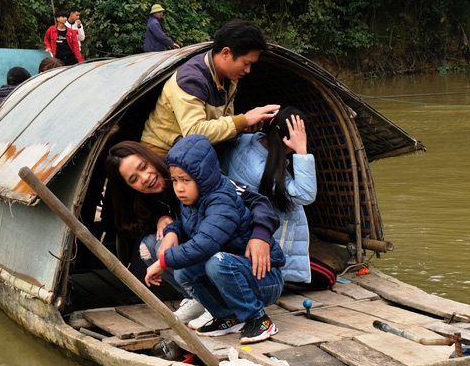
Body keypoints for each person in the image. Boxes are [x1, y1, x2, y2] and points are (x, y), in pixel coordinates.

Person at [104, 140, 281, 325]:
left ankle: (225, 304)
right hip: (199, 248)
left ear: (150, 157)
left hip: (228, 253)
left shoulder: (190, 171)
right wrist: (163, 221)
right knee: (150, 246)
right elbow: (147, 225)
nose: (145, 177)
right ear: (128, 186)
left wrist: (260, 235)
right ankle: (200, 299)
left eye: (143, 166)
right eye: (134, 179)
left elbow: (257, 201)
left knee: (173, 251)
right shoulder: (141, 200)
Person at [144, 135, 284, 343]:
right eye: (175, 180)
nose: (179, 188)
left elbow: (205, 243)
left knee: (216, 262)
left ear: (203, 177)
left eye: (185, 180)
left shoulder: (222, 201)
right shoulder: (193, 198)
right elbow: (189, 223)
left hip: (263, 276)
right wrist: (173, 230)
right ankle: (228, 317)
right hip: (234, 268)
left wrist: (163, 261)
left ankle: (259, 319)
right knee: (184, 272)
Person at [221, 108, 328, 287]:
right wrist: (301, 150)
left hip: (239, 230)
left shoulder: (246, 140)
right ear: (290, 141)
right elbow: (306, 195)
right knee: (328, 278)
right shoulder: (262, 170)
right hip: (258, 241)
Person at [140, 19, 279, 155]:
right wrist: (243, 120)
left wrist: (242, 127)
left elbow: (222, 121)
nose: (248, 70)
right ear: (225, 53)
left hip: (191, 152)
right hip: (162, 152)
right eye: (246, 63)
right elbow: (194, 133)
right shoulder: (191, 80)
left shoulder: (229, 79)